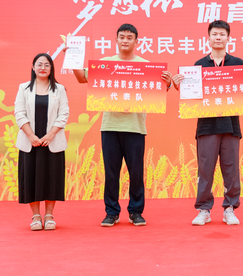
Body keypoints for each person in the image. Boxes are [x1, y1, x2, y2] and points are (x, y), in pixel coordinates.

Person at [72, 24, 173, 227]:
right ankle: (112, 212)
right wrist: (72, 58)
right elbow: (82, 77)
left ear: (136, 42)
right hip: (110, 127)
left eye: (129, 37)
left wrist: (168, 82)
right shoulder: (105, 64)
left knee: (136, 173)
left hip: (135, 127)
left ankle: (136, 211)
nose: (125, 40)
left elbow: (158, 91)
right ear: (116, 40)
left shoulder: (146, 66)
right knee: (111, 173)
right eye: (122, 37)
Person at [172, 20, 243, 226]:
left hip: (230, 127)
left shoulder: (238, 63)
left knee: (231, 170)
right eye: (215, 34)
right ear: (209, 38)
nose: (218, 37)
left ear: (228, 38)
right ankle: (204, 209)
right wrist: (180, 87)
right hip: (206, 127)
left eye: (222, 34)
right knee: (205, 170)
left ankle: (229, 208)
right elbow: (191, 96)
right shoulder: (199, 65)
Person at [14, 53, 69, 231]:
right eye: (39, 64)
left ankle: (49, 215)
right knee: (31, 177)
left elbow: (64, 114)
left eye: (46, 64)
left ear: (51, 68)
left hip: (52, 141)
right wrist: (31, 136)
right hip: (30, 142)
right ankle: (36, 216)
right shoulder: (23, 88)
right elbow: (19, 113)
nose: (43, 68)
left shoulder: (59, 89)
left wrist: (50, 135)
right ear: (33, 67)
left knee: (52, 178)